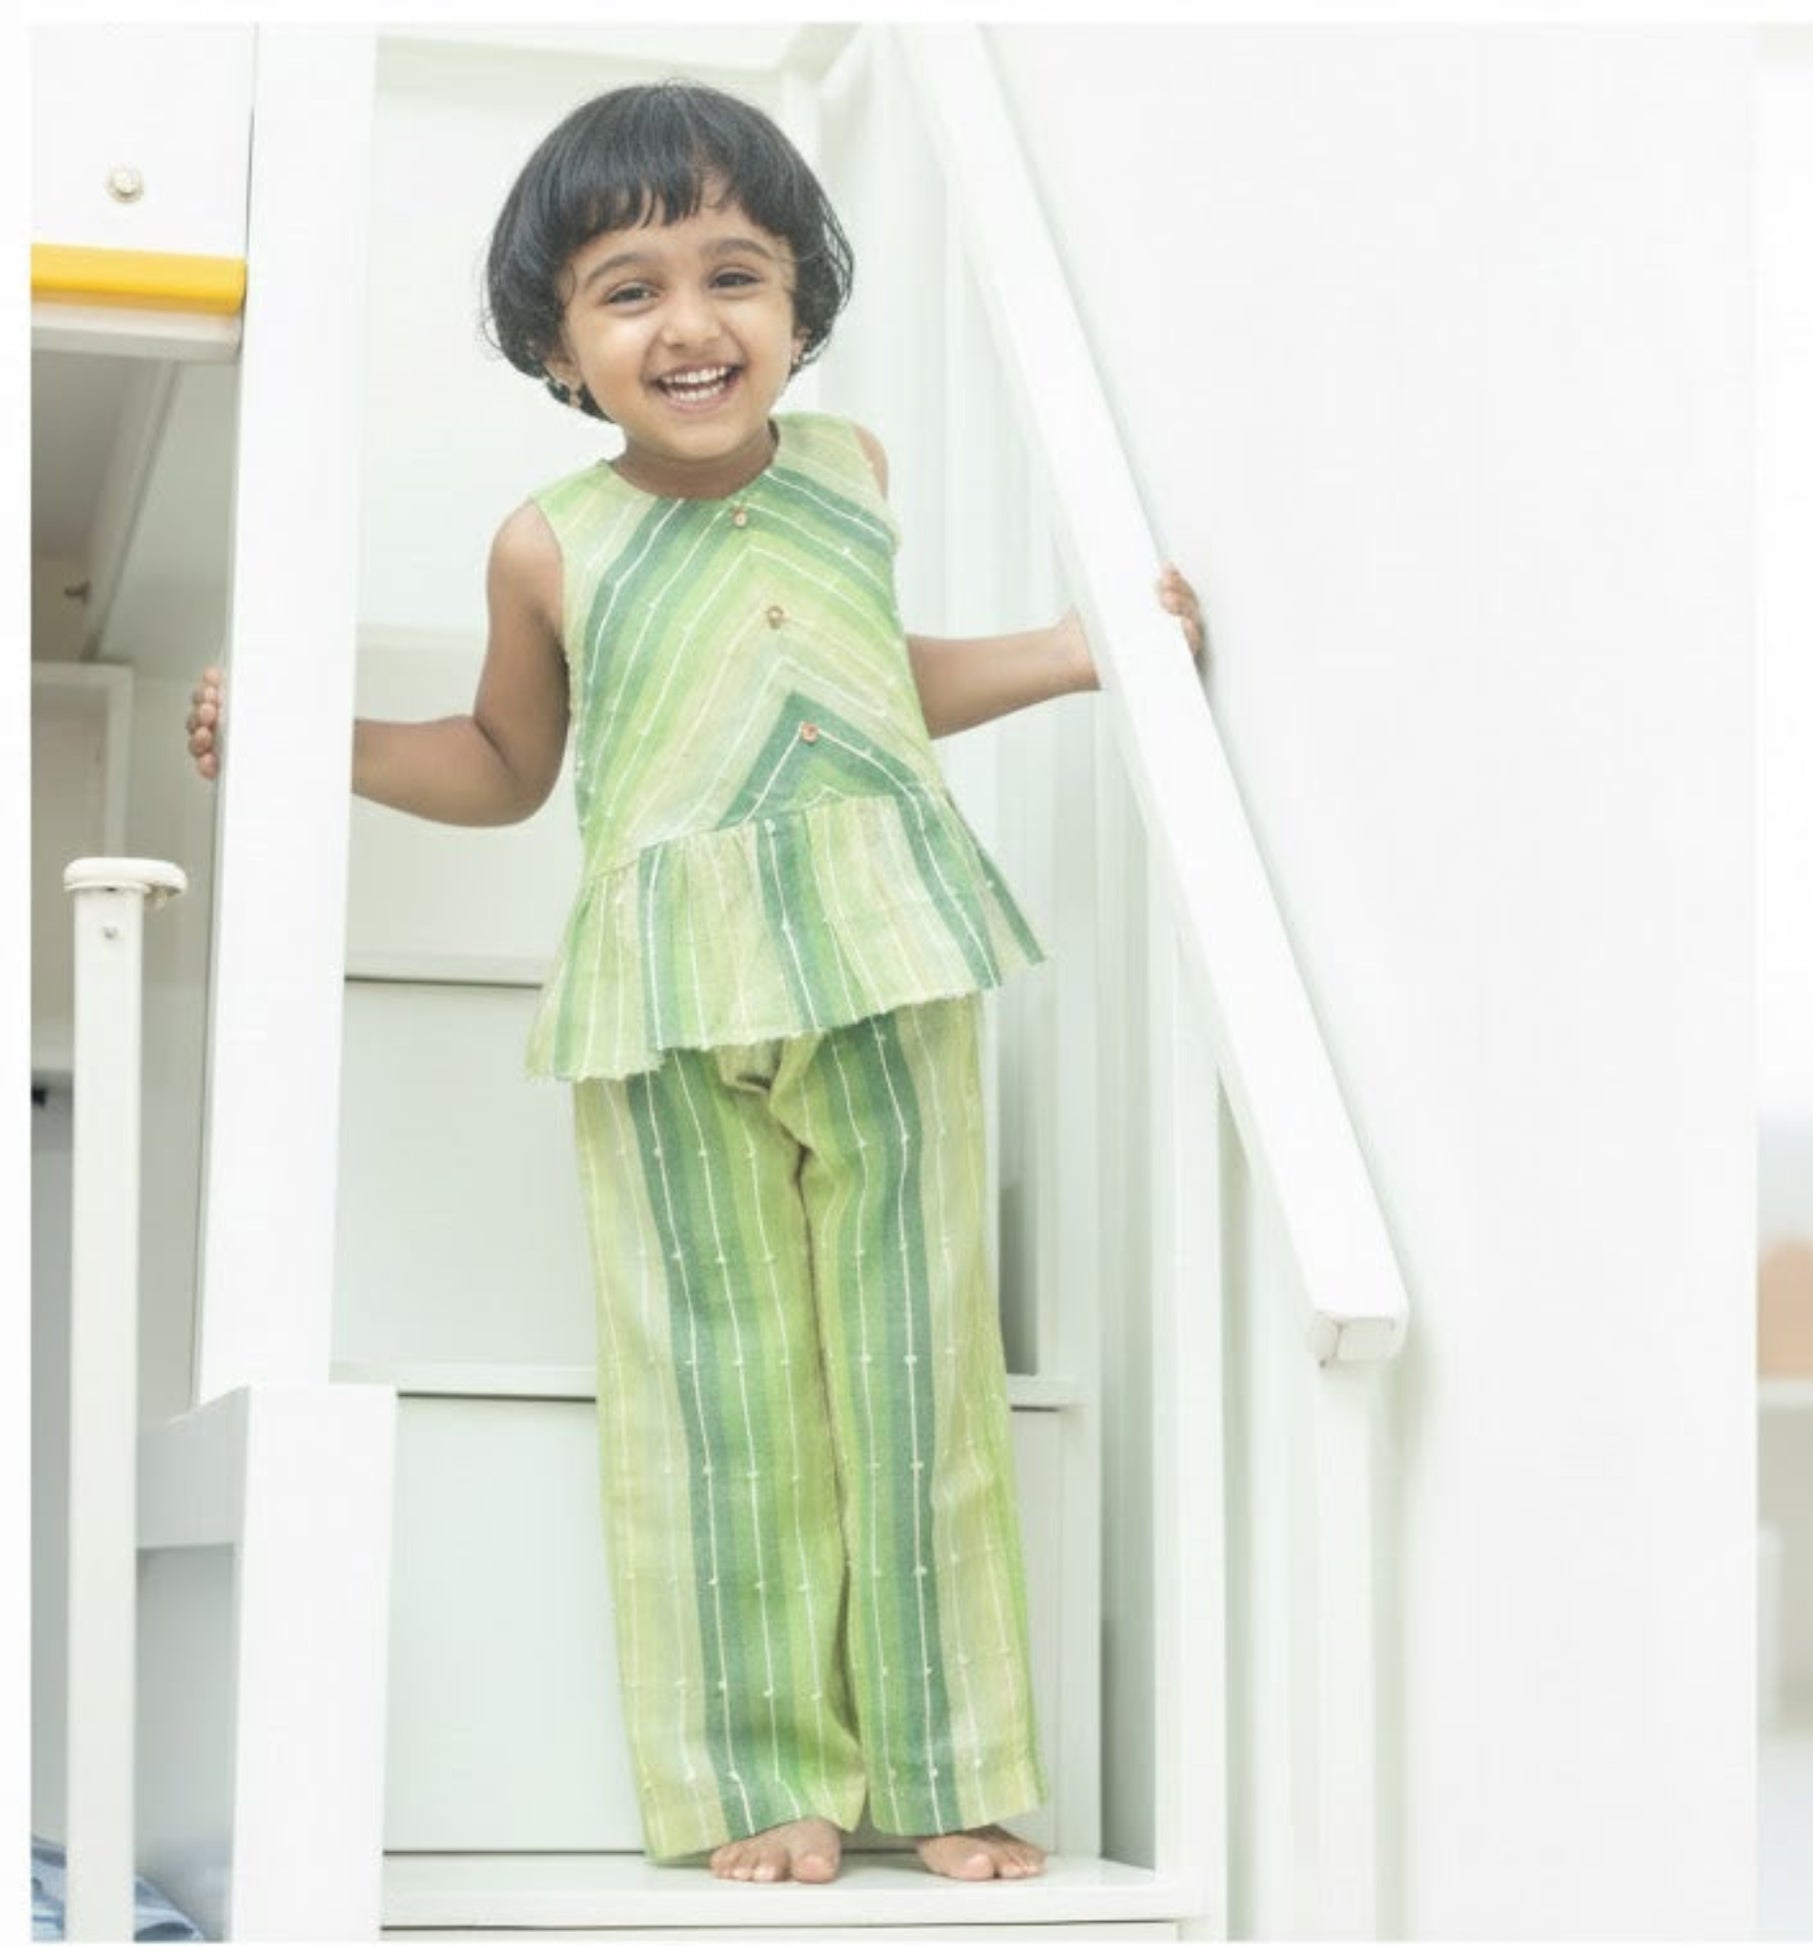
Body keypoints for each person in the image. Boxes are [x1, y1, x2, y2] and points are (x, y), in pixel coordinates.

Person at [187, 79, 1203, 1887]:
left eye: (734, 272)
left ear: (800, 305)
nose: (690, 321)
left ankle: (952, 1763)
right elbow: (507, 766)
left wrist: (1072, 651)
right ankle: (753, 1771)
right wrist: (313, 738)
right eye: (628, 289)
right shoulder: (547, 540)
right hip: (662, 990)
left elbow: (867, 677)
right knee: (713, 1382)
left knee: (916, 1367)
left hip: (890, 947)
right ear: (559, 346)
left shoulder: (853, 473)